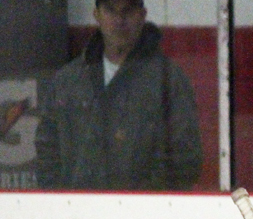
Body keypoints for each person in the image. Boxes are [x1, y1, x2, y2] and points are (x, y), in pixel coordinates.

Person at [35, 0, 202, 190]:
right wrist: (61, 201)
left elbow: (185, 159)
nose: (119, 20)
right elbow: (47, 149)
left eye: (128, 11)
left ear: (142, 15)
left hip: (145, 216)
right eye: (110, 10)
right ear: (96, 15)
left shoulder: (168, 80)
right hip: (76, 214)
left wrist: (147, 205)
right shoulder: (68, 80)